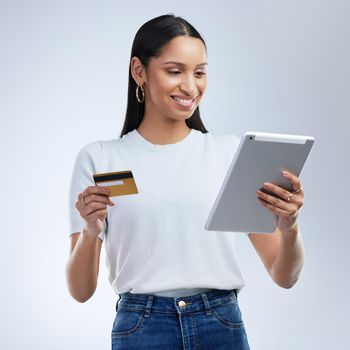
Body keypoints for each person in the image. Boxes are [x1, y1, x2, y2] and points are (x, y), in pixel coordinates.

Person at [65, 14, 305, 350]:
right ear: (139, 71)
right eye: (175, 71)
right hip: (141, 329)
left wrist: (290, 226)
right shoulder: (100, 158)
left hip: (221, 324)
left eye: (200, 72)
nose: (190, 87)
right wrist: (91, 231)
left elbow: (285, 276)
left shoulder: (229, 153)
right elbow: (80, 291)